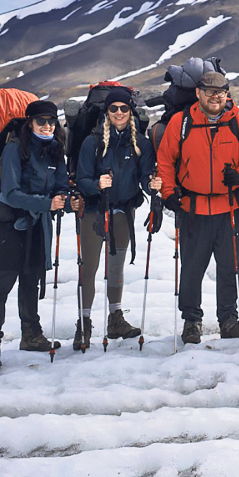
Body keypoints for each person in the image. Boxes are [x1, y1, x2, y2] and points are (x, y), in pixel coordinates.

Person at [157, 71, 239, 344]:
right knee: (192, 268)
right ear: (198, 93)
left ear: (227, 94)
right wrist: (168, 192)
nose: (215, 97)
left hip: (230, 208)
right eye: (210, 91)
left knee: (229, 268)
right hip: (193, 209)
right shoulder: (181, 123)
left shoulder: (237, 123)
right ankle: (192, 321)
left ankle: (228, 320)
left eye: (221, 92)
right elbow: (165, 161)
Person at [0, 100, 83, 372]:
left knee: (30, 281)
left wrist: (66, 200)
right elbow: (11, 193)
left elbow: (60, 185)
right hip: (11, 226)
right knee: (1, 285)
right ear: (30, 123)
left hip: (38, 226)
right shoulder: (14, 149)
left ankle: (31, 335)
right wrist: (47, 204)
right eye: (41, 121)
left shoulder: (54, 150)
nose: (47, 126)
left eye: (51, 121)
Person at [74, 88, 162, 348]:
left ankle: (115, 319)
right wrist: (96, 185)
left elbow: (144, 175)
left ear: (130, 111)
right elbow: (81, 179)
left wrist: (151, 185)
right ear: (107, 111)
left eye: (124, 108)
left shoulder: (140, 144)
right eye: (114, 108)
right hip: (94, 211)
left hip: (124, 211)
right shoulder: (92, 142)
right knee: (89, 268)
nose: (119, 113)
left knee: (115, 267)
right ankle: (84, 324)